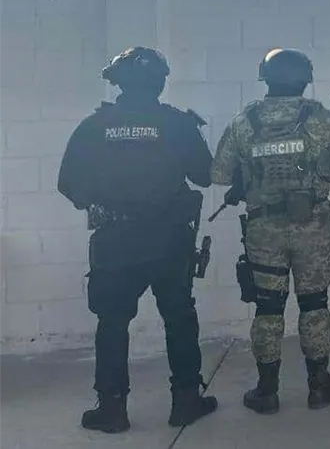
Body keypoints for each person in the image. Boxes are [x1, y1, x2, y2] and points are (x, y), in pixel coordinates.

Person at [57, 47, 218, 433]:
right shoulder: (177, 124)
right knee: (179, 318)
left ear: (118, 82)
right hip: (170, 240)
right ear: (160, 82)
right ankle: (186, 400)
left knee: (112, 324)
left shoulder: (95, 126)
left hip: (116, 241)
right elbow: (205, 175)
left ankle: (112, 409)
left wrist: (103, 197)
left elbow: (69, 185)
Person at [211, 48, 330, 413]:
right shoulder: (319, 118)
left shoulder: (246, 120)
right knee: (314, 303)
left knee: (268, 307)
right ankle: (319, 386)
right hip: (313, 228)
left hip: (264, 229)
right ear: (305, 79)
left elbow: (218, 174)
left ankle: (267, 391)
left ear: (266, 78)